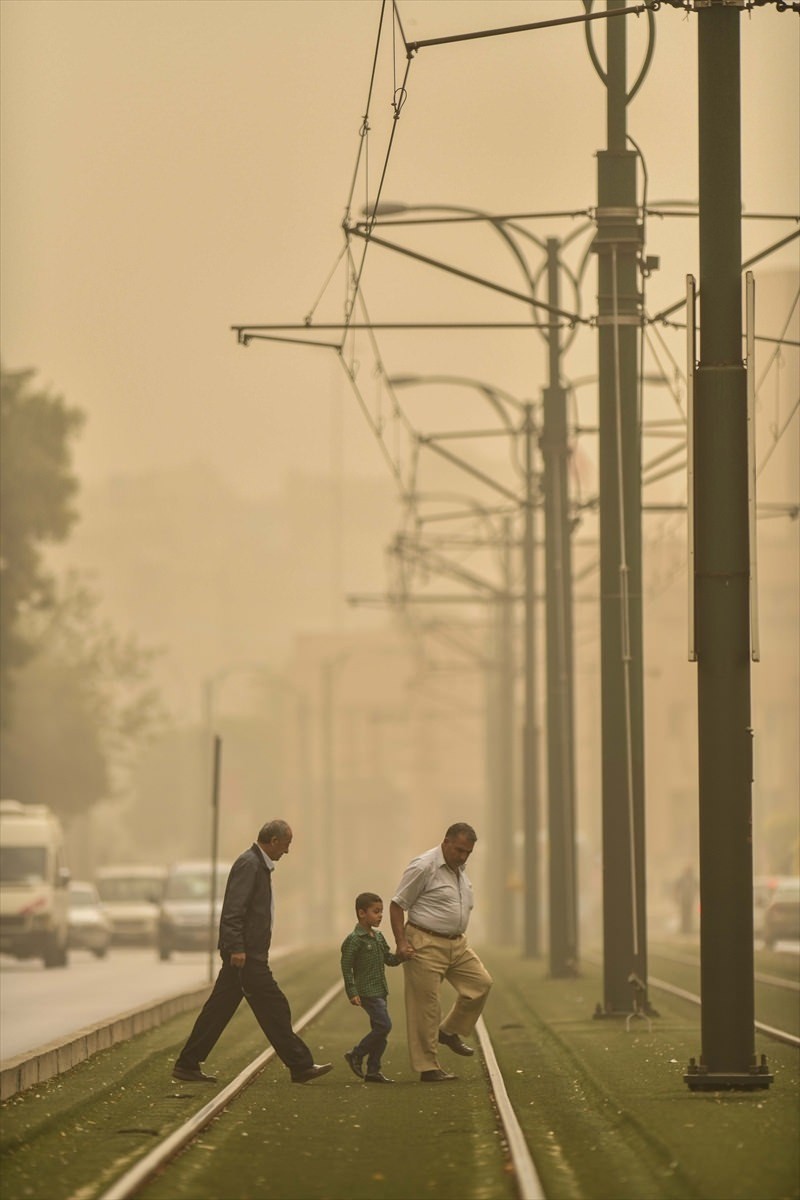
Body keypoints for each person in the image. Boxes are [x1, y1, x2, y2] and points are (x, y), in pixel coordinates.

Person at [172, 820, 332, 1085]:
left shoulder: (257, 865)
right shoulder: (250, 865)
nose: (287, 851)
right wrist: (236, 947)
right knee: (274, 1006)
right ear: (273, 841)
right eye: (286, 844)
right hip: (246, 956)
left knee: (218, 1010)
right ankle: (300, 1065)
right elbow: (235, 909)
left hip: (248, 954)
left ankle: (187, 1064)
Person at [390, 822, 492, 1083]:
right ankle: (428, 1067)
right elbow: (397, 904)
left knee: (480, 984)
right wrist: (401, 943)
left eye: (467, 852)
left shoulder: (460, 868)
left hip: (457, 944)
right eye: (458, 850)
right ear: (445, 842)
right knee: (426, 1008)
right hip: (424, 942)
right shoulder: (423, 866)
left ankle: (449, 1031)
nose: (462, 856)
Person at [340, 892, 402, 1084]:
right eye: (376, 912)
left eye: (381, 912)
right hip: (367, 991)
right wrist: (352, 991)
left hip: (381, 990)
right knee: (384, 1025)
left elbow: (389, 960)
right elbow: (346, 966)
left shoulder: (378, 937)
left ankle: (373, 1070)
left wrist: (402, 955)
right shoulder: (354, 939)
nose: (380, 916)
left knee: (380, 1031)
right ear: (361, 913)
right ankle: (356, 1054)